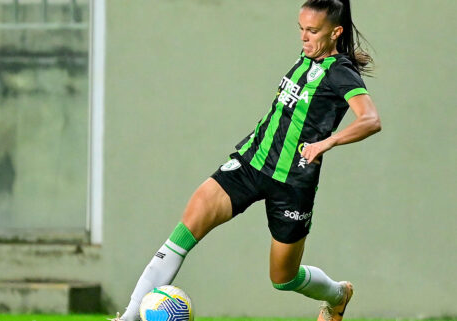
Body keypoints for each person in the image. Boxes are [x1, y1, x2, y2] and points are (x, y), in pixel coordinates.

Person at [114, 0, 381, 320]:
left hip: (293, 182)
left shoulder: (340, 72)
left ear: (336, 33)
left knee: (283, 278)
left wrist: (329, 141)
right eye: (301, 29)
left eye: (313, 31)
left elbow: (370, 119)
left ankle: (338, 295)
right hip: (250, 162)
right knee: (187, 226)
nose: (304, 38)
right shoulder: (308, 56)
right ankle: (129, 317)